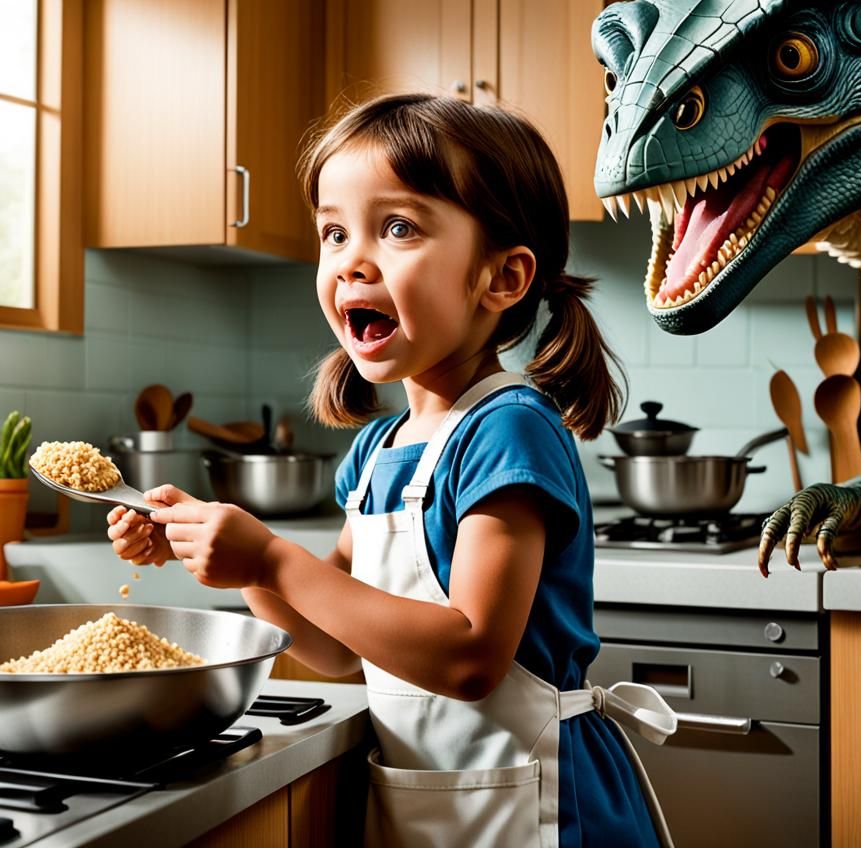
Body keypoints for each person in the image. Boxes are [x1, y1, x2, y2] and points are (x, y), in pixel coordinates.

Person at [107, 93, 675, 848]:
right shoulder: (378, 450)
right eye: (333, 233)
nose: (351, 260)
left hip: (546, 811)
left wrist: (272, 553)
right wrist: (230, 558)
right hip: (437, 810)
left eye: (398, 228)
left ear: (501, 279)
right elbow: (337, 646)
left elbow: (472, 655)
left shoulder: (510, 430)